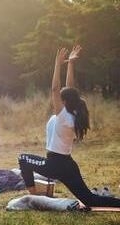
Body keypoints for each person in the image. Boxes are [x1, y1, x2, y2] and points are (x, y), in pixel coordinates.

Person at [18, 45, 120, 207]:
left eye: (61, 97)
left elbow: (54, 89)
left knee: (23, 158)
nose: (57, 98)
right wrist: (71, 64)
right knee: (89, 200)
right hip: (67, 164)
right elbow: (69, 88)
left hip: (55, 164)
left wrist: (58, 64)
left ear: (64, 100)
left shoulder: (64, 116)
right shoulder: (72, 114)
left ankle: (35, 198)